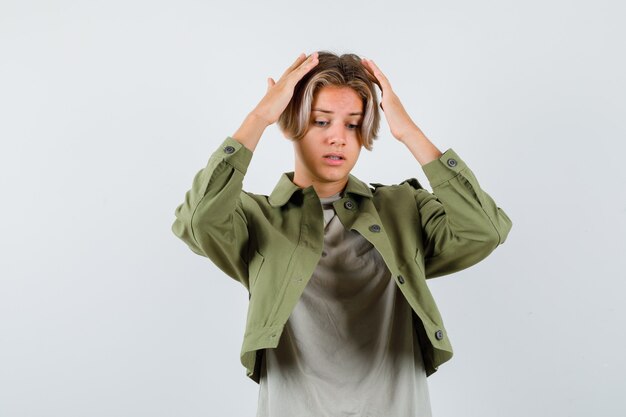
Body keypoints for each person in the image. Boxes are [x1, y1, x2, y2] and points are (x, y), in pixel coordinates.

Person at [171, 51, 513, 416]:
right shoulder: (257, 218)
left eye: (353, 124)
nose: (339, 138)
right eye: (321, 121)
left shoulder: (403, 208)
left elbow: (485, 230)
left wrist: (410, 133)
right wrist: (258, 119)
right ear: (291, 123)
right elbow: (196, 221)